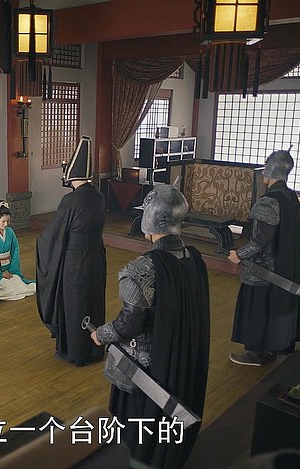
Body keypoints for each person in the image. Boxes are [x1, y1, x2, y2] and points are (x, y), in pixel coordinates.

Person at [90, 182, 210, 469]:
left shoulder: (141, 269)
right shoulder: (195, 259)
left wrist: (101, 334)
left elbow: (129, 323)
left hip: (146, 367)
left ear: (151, 218)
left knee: (135, 424)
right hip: (182, 358)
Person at [228, 150, 300, 366]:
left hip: (263, 271)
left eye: (266, 165)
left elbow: (260, 241)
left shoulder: (268, 202)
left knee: (258, 309)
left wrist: (238, 255)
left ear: (271, 169)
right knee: (276, 306)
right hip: (284, 266)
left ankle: (255, 353)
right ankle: (277, 344)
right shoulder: (291, 197)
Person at [36, 136, 106, 366]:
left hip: (75, 262)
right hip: (96, 256)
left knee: (75, 303)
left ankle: (76, 352)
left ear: (72, 175)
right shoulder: (99, 196)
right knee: (93, 300)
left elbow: (54, 234)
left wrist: (41, 241)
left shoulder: (71, 200)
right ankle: (95, 349)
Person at [0, 200, 36, 301]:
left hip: (9, 268)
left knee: (18, 283)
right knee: (8, 286)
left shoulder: (10, 232)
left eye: (8, 221)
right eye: (3, 221)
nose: (6, 224)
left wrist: (12, 270)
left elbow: (15, 250)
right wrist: (0, 274)